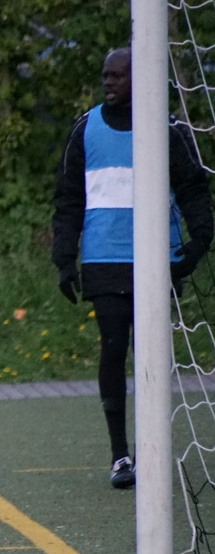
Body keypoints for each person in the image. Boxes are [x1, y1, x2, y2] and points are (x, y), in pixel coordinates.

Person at [52, 47, 213, 489]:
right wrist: (64, 259)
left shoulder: (168, 130)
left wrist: (198, 242)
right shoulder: (85, 128)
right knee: (112, 350)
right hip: (103, 259)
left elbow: (193, 189)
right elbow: (68, 198)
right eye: (105, 75)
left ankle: (150, 451)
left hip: (157, 260)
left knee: (152, 355)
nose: (109, 82)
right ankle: (120, 455)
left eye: (118, 75)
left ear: (140, 78)